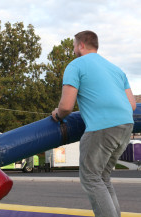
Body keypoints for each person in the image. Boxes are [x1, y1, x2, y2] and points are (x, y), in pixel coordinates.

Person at [51, 30, 136, 217]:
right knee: (103, 177)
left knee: (90, 178)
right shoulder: (116, 69)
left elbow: (66, 106)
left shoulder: (76, 65)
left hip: (102, 128)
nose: (73, 49)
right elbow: (131, 104)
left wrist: (57, 114)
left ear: (81, 45)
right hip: (126, 126)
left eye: (74, 45)